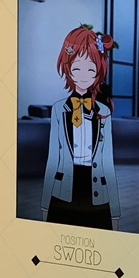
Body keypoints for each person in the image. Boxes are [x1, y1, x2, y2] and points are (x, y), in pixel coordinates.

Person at [40, 25, 121, 230]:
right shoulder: (59, 109)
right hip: (63, 189)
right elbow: (53, 157)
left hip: (97, 190)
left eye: (91, 69)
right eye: (77, 68)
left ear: (98, 71)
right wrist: (44, 204)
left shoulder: (104, 112)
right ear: (68, 68)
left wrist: (115, 211)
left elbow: (108, 160)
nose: (84, 75)